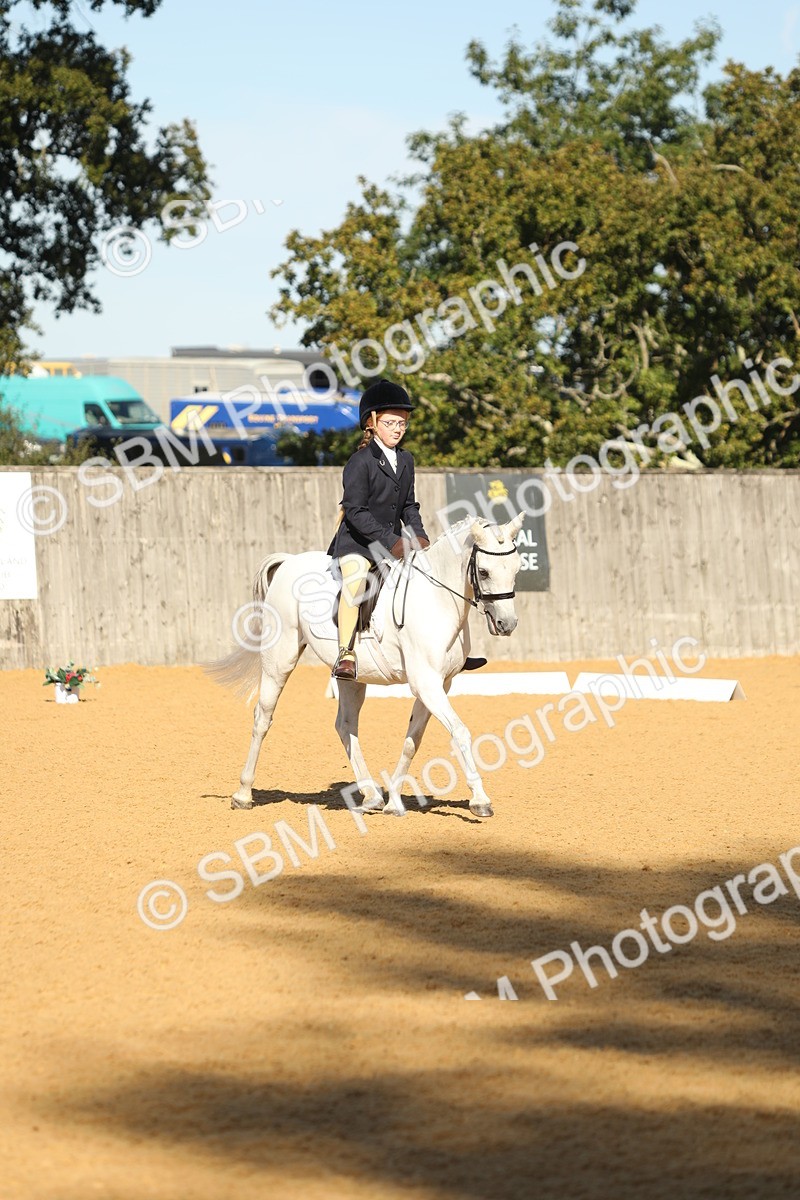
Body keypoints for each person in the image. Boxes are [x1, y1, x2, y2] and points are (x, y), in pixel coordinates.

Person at [327, 379, 430, 680]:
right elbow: (356, 512)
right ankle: (345, 653)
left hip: (393, 542)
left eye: (403, 423)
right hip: (358, 545)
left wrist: (419, 536)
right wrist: (392, 542)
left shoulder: (406, 460)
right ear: (372, 423)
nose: (398, 428)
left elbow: (409, 506)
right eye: (390, 422)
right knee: (356, 583)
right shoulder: (360, 462)